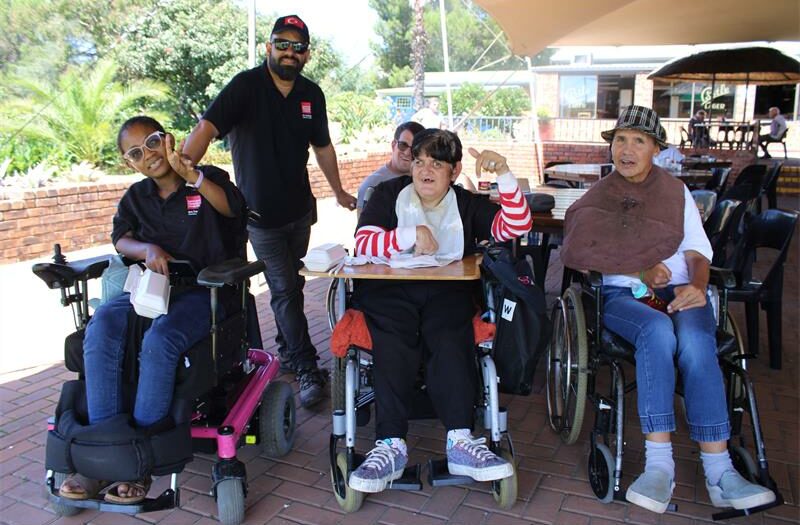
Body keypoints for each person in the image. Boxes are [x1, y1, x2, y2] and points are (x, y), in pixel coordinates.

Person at [560, 106, 776, 514]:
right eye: (620, 140)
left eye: (638, 141)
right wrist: (637, 268)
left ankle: (721, 472)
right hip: (624, 296)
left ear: (655, 148)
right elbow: (581, 248)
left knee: (697, 340)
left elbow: (697, 251)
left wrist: (696, 286)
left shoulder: (675, 193)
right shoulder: (598, 196)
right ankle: (659, 467)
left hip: (680, 289)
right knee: (657, 331)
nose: (626, 149)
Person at [58, 116, 247, 504]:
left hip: (202, 292)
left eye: (153, 142)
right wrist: (146, 250)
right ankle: (103, 454)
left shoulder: (207, 177)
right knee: (101, 328)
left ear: (169, 140)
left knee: (161, 340)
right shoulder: (136, 198)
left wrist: (191, 175)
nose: (148, 155)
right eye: (135, 152)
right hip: (149, 289)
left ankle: (138, 462)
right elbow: (120, 238)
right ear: (129, 163)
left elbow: (233, 211)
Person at [182, 14, 357, 408]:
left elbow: (323, 147)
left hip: (300, 212)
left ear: (307, 55)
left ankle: (287, 348)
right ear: (269, 48)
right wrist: (183, 169)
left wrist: (339, 191)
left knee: (291, 288)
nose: (289, 52)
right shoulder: (246, 87)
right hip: (259, 217)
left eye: (298, 47)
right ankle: (308, 367)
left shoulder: (312, 94)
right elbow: (209, 126)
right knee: (284, 291)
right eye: (282, 44)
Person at [347, 129, 532, 493]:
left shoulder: (466, 203)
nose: (425, 170)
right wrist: (408, 234)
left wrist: (506, 176)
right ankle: (390, 445)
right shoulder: (387, 195)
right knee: (394, 338)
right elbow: (363, 242)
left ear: (454, 170)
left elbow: (516, 225)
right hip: (389, 290)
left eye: (436, 163)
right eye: (418, 162)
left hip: (447, 289)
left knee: (450, 336)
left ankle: (461, 440)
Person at [357, 121, 425, 212]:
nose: (407, 153)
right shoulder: (373, 184)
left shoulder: (427, 179)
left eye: (414, 149)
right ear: (393, 145)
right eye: (403, 145)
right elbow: (364, 224)